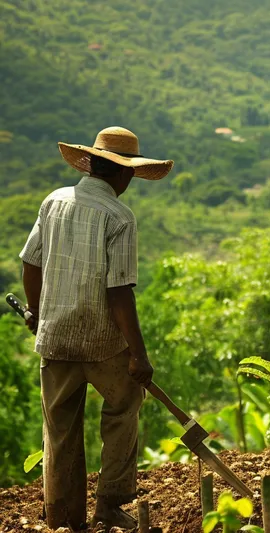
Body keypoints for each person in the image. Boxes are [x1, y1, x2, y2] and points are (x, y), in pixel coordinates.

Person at [19, 127, 173, 531]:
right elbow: (119, 290)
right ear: (122, 174)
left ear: (91, 165)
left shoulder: (53, 202)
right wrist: (138, 355)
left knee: (60, 430)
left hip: (55, 339)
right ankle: (110, 504)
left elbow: (31, 262)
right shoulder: (119, 216)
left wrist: (37, 312)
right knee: (123, 408)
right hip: (103, 342)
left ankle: (63, 517)